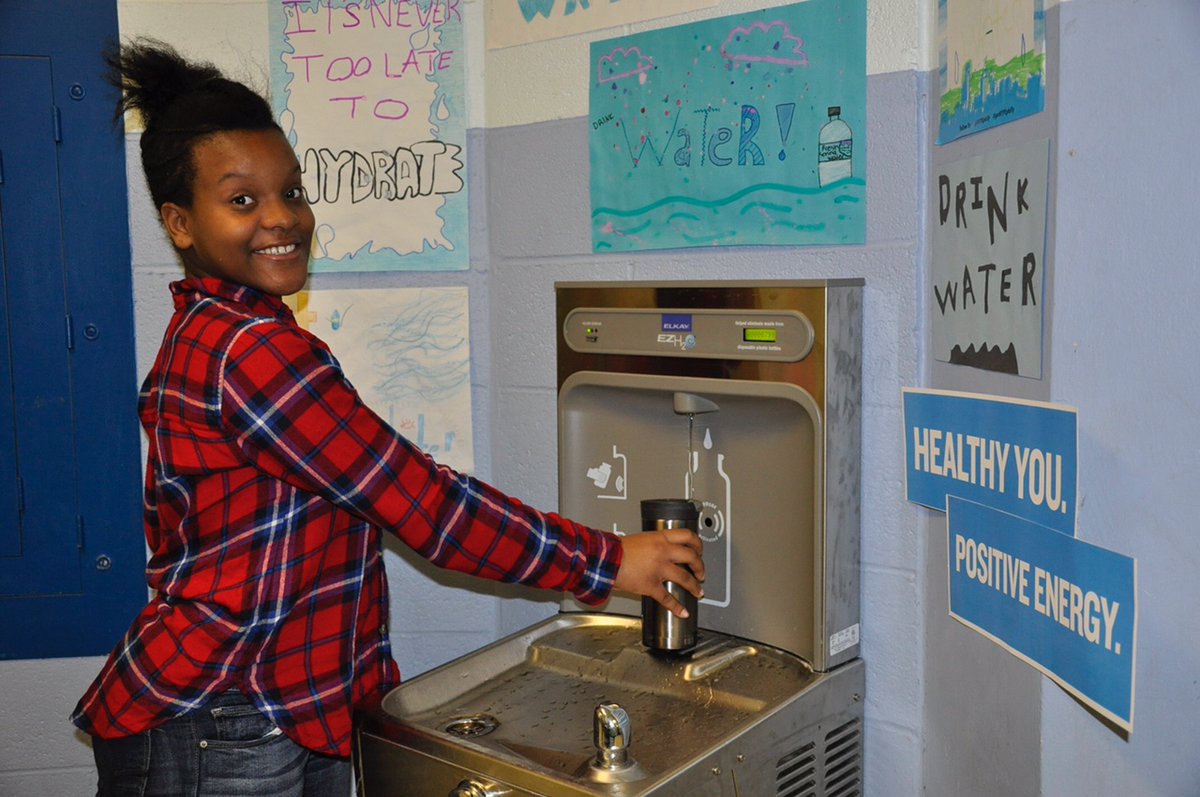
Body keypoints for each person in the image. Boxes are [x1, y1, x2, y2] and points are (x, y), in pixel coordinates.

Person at [73, 38, 704, 797]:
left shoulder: (239, 335)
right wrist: (609, 561)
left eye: (292, 191)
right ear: (180, 223)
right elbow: (423, 504)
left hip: (291, 704)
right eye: (242, 200)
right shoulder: (248, 352)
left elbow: (336, 537)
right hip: (222, 714)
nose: (282, 218)